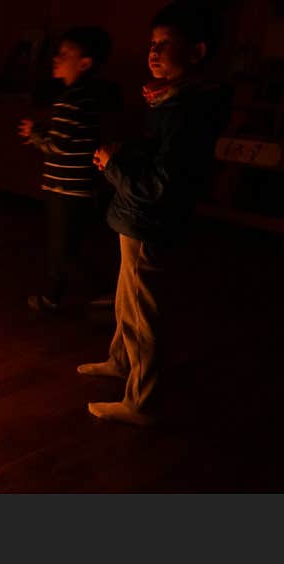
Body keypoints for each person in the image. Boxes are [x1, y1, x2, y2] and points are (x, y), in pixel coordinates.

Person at [78, 1, 231, 425]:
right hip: (137, 220)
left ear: (197, 52)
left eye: (166, 44)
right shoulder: (169, 101)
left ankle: (141, 401)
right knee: (127, 298)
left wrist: (113, 164)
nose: (154, 52)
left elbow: (159, 186)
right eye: (152, 43)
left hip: (150, 223)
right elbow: (158, 164)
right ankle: (121, 361)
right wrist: (123, 154)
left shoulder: (185, 111)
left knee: (143, 310)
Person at [18, 25, 116, 312]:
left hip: (65, 187)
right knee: (65, 246)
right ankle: (57, 294)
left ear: (84, 63)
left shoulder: (70, 100)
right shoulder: (86, 99)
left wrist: (34, 134)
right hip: (80, 186)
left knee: (62, 248)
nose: (55, 58)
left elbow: (58, 146)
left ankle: (93, 290)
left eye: (64, 54)